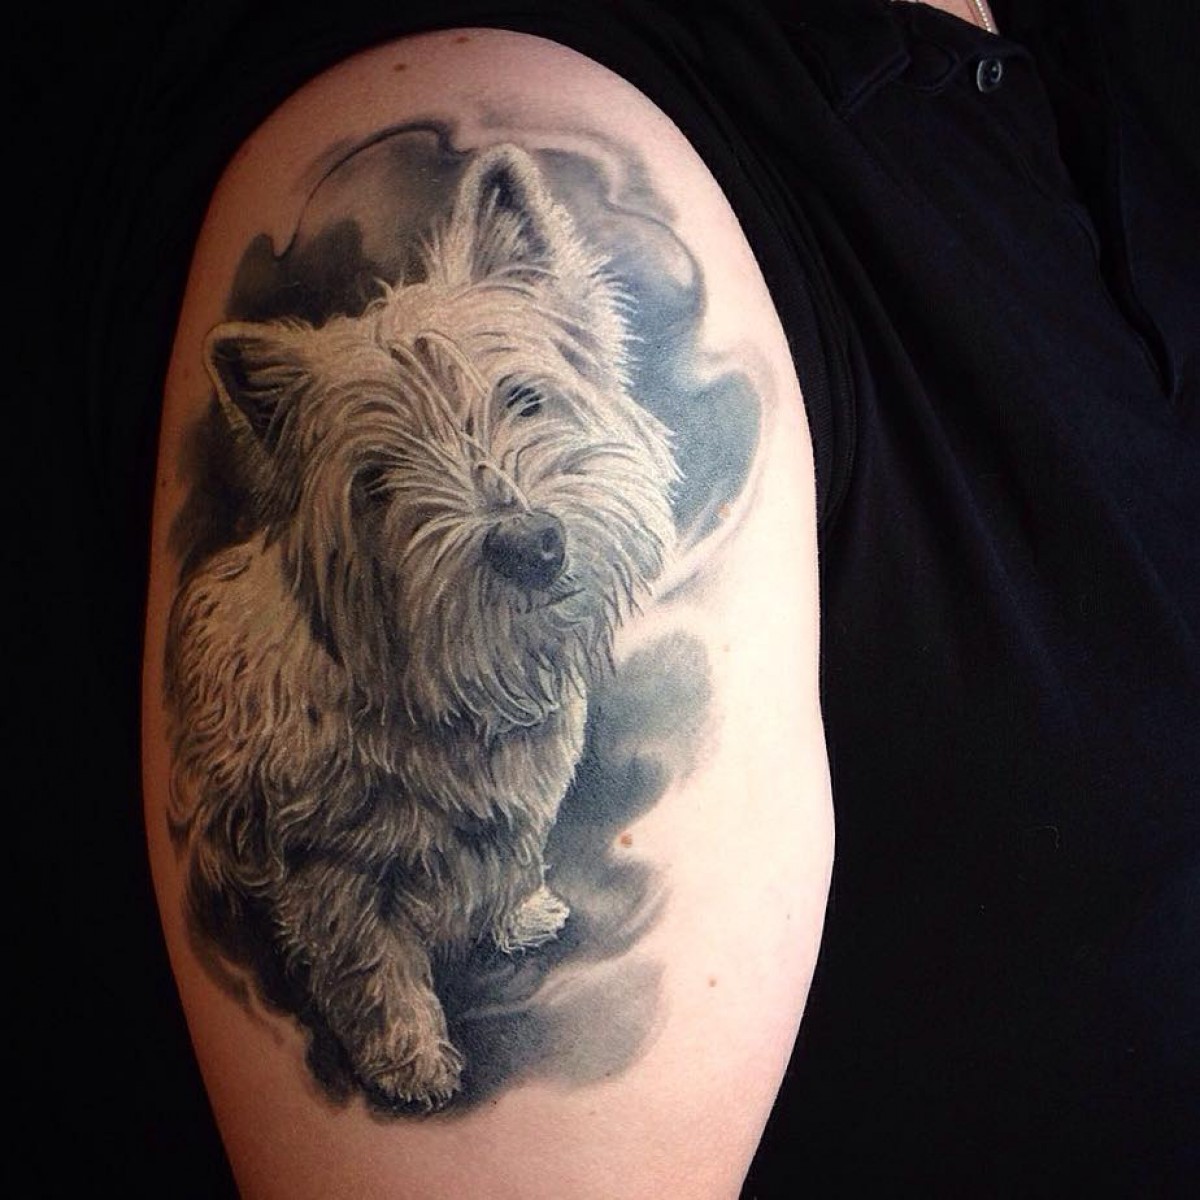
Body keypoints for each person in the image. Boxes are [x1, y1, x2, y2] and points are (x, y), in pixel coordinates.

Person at [129, 0, 1196, 1194]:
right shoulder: (513, 85)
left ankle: (496, 900)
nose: (507, 504)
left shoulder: (1097, 56)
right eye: (388, 481)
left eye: (527, 402)